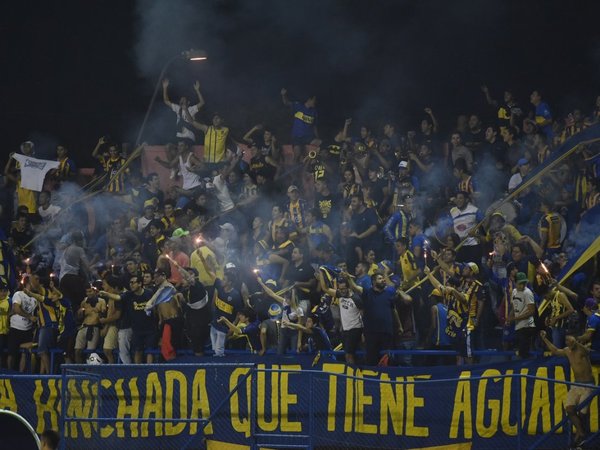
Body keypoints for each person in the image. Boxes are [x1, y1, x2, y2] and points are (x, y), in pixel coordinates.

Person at [540, 330, 594, 447]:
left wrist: (580, 339)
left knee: (583, 413)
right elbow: (554, 350)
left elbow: (585, 348)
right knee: (569, 409)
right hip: (576, 384)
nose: (569, 342)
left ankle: (580, 439)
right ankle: (581, 433)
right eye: (567, 340)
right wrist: (545, 339)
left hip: (588, 384)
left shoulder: (582, 349)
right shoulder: (567, 350)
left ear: (576, 340)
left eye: (571, 340)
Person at [345, 271, 400, 366]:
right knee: (372, 360)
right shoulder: (367, 293)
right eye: (380, 278)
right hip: (371, 333)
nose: (383, 280)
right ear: (373, 282)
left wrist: (399, 325)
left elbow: (394, 310)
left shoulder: (388, 294)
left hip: (387, 332)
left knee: (387, 360)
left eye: (383, 278)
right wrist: (349, 279)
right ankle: (372, 380)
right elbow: (355, 288)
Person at [508, 272, 536, 358]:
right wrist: (509, 317)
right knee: (518, 350)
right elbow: (514, 306)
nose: (522, 286)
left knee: (523, 352)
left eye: (524, 283)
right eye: (520, 284)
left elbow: (532, 311)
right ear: (515, 283)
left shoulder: (527, 293)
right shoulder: (514, 291)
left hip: (527, 326)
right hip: (518, 325)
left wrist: (516, 318)